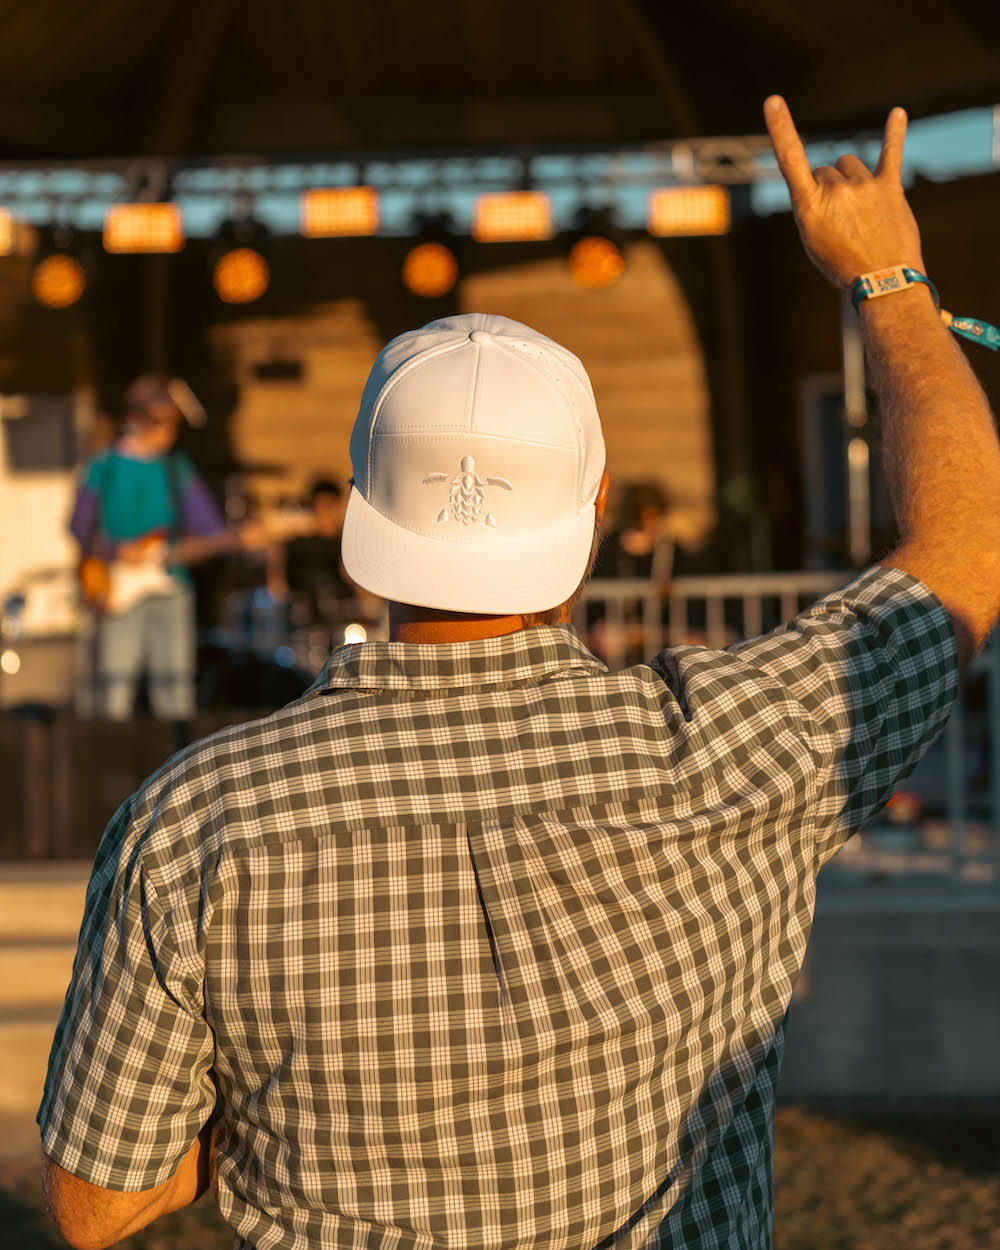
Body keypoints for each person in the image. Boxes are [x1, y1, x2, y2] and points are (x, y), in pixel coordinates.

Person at [39, 98, 999, 1250]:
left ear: (358, 512)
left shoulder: (193, 819)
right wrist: (888, 277)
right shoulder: (747, 746)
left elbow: (95, 1205)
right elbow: (968, 552)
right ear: (593, 513)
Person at [68, 374, 230, 739]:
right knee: (114, 689)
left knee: (175, 692)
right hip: (119, 591)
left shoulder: (176, 468)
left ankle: (178, 768)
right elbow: (78, 527)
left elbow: (210, 529)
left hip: (171, 588)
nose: (169, 433)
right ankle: (108, 768)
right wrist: (116, 551)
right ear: (137, 420)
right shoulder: (103, 467)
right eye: (162, 423)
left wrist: (234, 538)